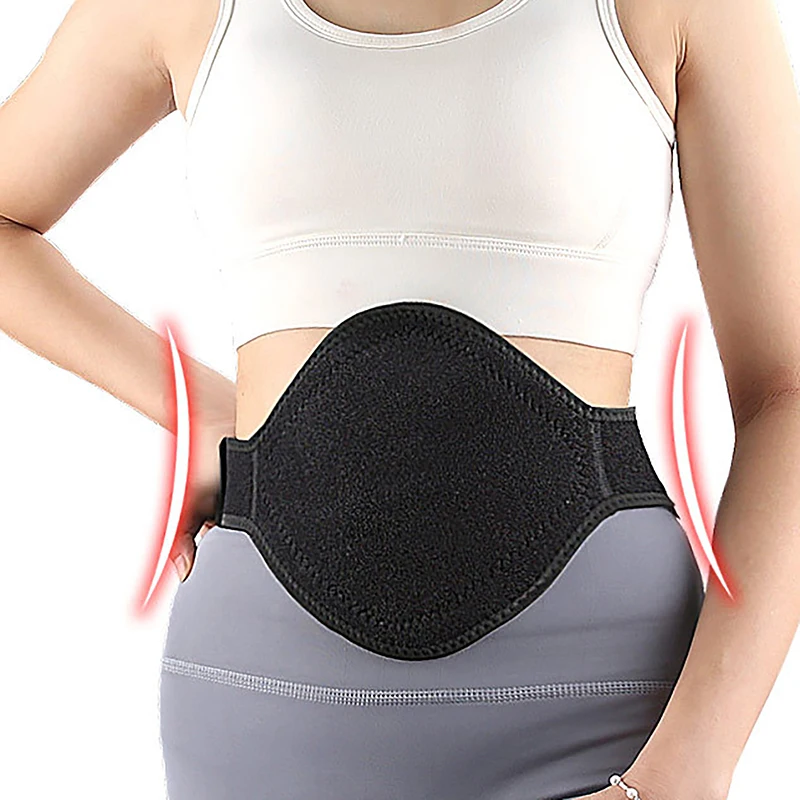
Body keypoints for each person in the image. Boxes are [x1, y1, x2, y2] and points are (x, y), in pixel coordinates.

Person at [1, 0, 799, 798]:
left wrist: (686, 771)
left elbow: (786, 393)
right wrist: (205, 410)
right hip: (265, 704)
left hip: (599, 711)